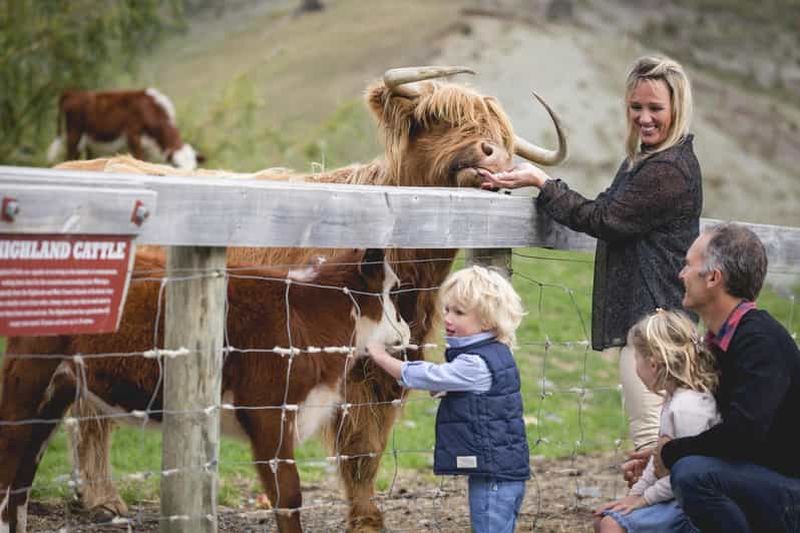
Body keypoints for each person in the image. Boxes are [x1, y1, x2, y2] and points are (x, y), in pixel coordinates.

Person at [479, 55, 702, 455]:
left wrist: (542, 182)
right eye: (636, 107)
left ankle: (658, 496)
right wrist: (538, 182)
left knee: (653, 442)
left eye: (655, 108)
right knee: (666, 440)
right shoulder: (646, 161)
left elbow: (605, 218)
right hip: (658, 322)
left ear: (677, 108)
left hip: (657, 328)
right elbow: (605, 207)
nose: (644, 118)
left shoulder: (667, 170)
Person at [651, 223, 800, 532]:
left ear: (713, 278)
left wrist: (671, 452)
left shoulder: (760, 342)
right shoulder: (721, 341)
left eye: (688, 265)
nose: (681, 274)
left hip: (789, 489)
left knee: (692, 474)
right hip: (761, 477)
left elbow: (743, 434)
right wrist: (656, 457)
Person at [366, 265, 528, 533]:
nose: (448, 319)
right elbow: (483, 392)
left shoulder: (475, 362)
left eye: (459, 313)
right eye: (447, 309)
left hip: (494, 475)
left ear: (487, 321)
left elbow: (429, 376)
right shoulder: (497, 351)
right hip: (501, 468)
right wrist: (454, 391)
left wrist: (381, 357)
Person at [593, 309, 720, 532]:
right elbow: (658, 459)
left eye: (636, 358)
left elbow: (688, 475)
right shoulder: (673, 400)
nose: (634, 366)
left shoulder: (686, 409)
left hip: (690, 506)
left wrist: (644, 500)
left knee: (611, 525)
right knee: (603, 519)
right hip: (673, 493)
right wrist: (634, 495)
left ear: (653, 364)